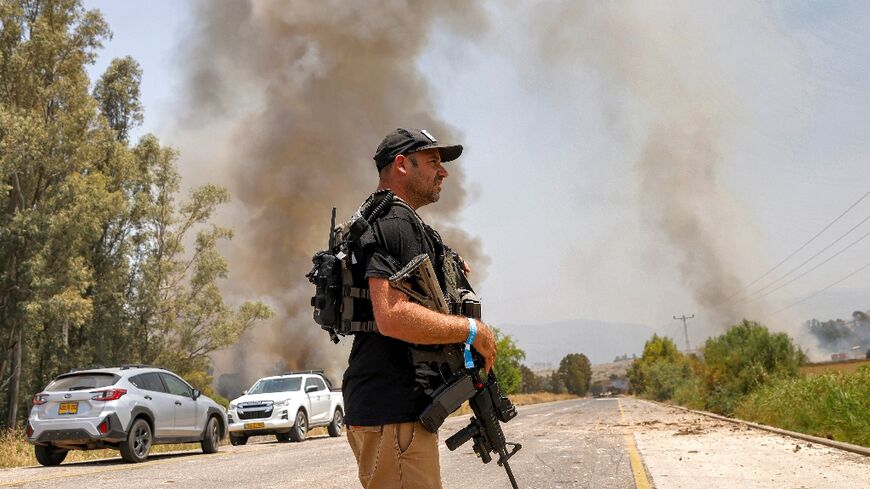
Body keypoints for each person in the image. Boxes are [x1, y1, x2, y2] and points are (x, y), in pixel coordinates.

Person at [342, 128, 498, 489]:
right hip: (393, 415)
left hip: (389, 413)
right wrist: (471, 331)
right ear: (401, 165)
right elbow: (392, 315)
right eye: (432, 163)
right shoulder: (396, 223)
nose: (443, 172)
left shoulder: (383, 218)